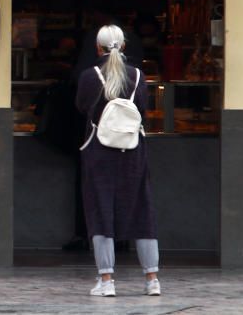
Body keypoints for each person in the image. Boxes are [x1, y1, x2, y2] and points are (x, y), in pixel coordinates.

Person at [76, 24, 160, 298]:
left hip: (100, 152)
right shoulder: (138, 76)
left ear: (97, 48)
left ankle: (107, 280)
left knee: (101, 211)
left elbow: (81, 106)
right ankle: (152, 279)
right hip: (133, 151)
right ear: (124, 46)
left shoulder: (90, 77)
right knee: (141, 209)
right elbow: (144, 110)